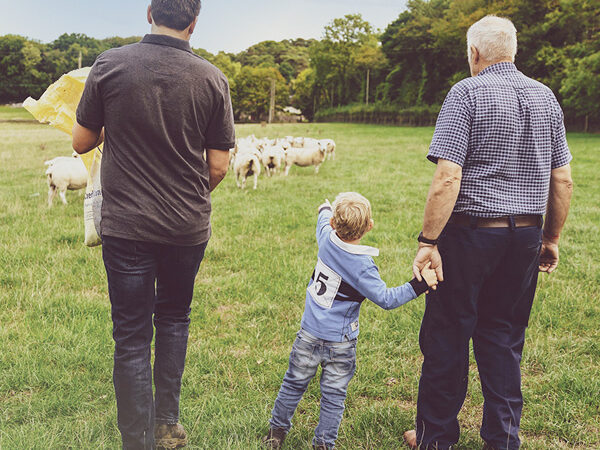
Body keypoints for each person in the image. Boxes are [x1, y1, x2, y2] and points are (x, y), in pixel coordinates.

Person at [403, 15, 573, 450]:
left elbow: (447, 177)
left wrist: (427, 243)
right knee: (502, 337)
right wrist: (550, 239)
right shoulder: (545, 97)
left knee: (448, 333)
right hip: (524, 239)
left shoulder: (466, 93)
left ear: (474, 53)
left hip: (469, 235)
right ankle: (502, 439)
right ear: (513, 52)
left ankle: (434, 438)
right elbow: (563, 180)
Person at [72, 1, 235, 448]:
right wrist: (187, 198)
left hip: (126, 226)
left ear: (149, 13)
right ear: (195, 22)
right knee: (175, 319)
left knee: (130, 334)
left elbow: (81, 140)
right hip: (187, 227)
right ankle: (166, 424)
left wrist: (113, 122)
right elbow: (218, 166)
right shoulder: (212, 78)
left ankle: (134, 441)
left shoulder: (110, 65)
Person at [263, 192, 438, 450]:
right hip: (341, 342)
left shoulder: (326, 238)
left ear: (334, 223)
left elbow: (322, 219)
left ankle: (275, 433)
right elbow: (386, 299)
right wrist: (419, 284)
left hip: (308, 334)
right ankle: (323, 444)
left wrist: (324, 207)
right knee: (333, 396)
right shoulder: (363, 266)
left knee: (293, 382)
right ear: (370, 226)